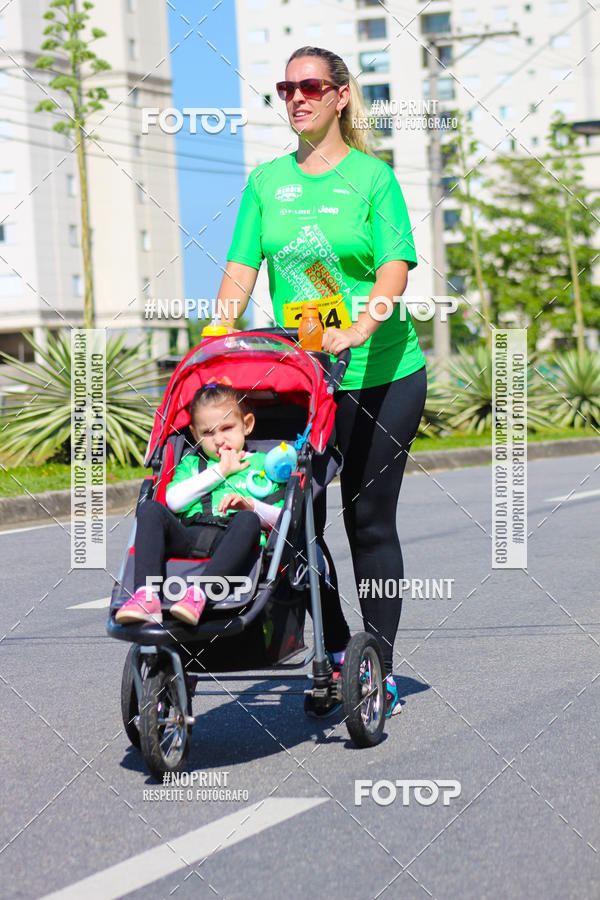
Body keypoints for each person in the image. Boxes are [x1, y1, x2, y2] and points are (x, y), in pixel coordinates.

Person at [216, 46, 427, 717]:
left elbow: (394, 265)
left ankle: (380, 671)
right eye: (286, 88)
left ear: (339, 96)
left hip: (382, 372)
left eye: (310, 86)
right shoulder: (265, 182)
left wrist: (363, 325)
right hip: (302, 380)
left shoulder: (373, 179)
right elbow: (241, 268)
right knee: (294, 519)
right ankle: (339, 650)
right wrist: (217, 337)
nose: (297, 97)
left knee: (368, 522)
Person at [116, 383, 283, 627]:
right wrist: (221, 470)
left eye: (227, 428)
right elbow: (174, 501)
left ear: (246, 425)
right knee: (150, 509)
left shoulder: (265, 464)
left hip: (234, 541)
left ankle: (199, 594)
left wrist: (251, 507)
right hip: (190, 534)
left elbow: (283, 517)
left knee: (247, 521)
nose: (219, 439)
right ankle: (146, 595)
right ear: (195, 434)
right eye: (208, 433)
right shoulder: (192, 464)